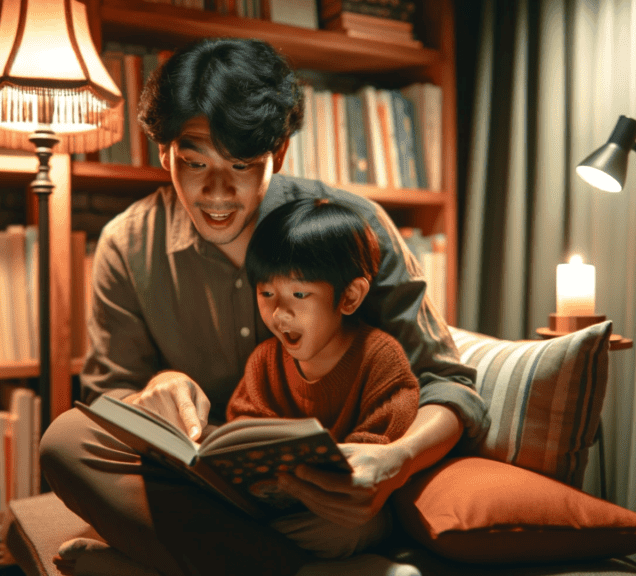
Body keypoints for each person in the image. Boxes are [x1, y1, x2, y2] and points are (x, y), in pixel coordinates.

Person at [39, 37, 489, 576]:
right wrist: (149, 394)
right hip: (201, 488)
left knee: (345, 522)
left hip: (325, 496)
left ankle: (168, 564)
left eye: (242, 165)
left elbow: (448, 382)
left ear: (277, 154)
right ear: (165, 153)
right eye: (194, 162)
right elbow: (106, 402)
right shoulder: (128, 245)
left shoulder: (351, 225)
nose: (217, 192)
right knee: (64, 442)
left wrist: (393, 462)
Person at [227, 198, 420, 560]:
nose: (279, 312)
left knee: (353, 528)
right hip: (273, 508)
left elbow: (372, 456)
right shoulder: (264, 361)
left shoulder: (380, 358)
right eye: (267, 293)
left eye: (300, 294)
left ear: (349, 296)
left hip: (342, 511)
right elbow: (243, 430)